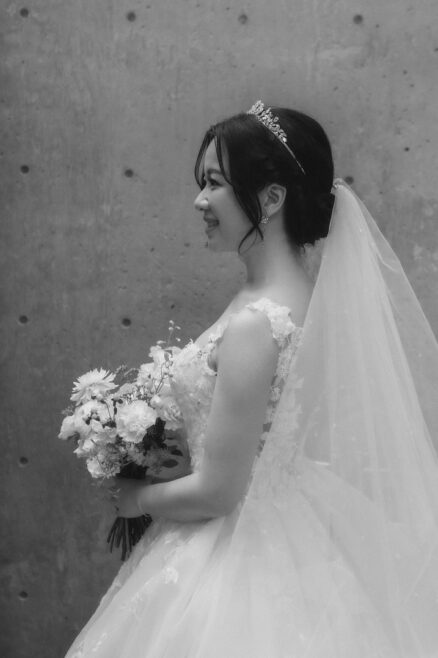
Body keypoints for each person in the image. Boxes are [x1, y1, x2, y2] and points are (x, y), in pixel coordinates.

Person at [65, 101, 438, 657]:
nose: (200, 200)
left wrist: (135, 498)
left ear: (271, 198)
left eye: (215, 183)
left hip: (236, 553)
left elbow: (219, 492)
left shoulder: (256, 323)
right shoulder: (298, 300)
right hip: (298, 530)